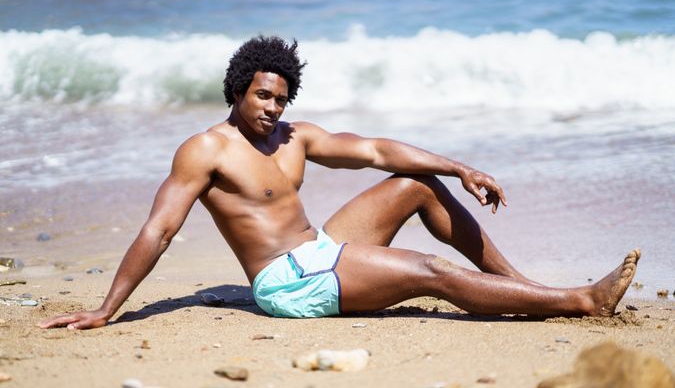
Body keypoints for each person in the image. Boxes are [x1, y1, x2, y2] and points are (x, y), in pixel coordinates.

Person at [39, 36, 639, 330]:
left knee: (415, 184)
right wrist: (105, 308)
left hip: (320, 251)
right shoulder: (205, 150)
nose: (273, 108)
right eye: (262, 96)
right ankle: (579, 300)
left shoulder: (294, 136)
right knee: (432, 273)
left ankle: (524, 291)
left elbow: (376, 150)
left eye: (281, 98)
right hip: (286, 282)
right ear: (238, 90)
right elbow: (160, 228)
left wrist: (459, 167)